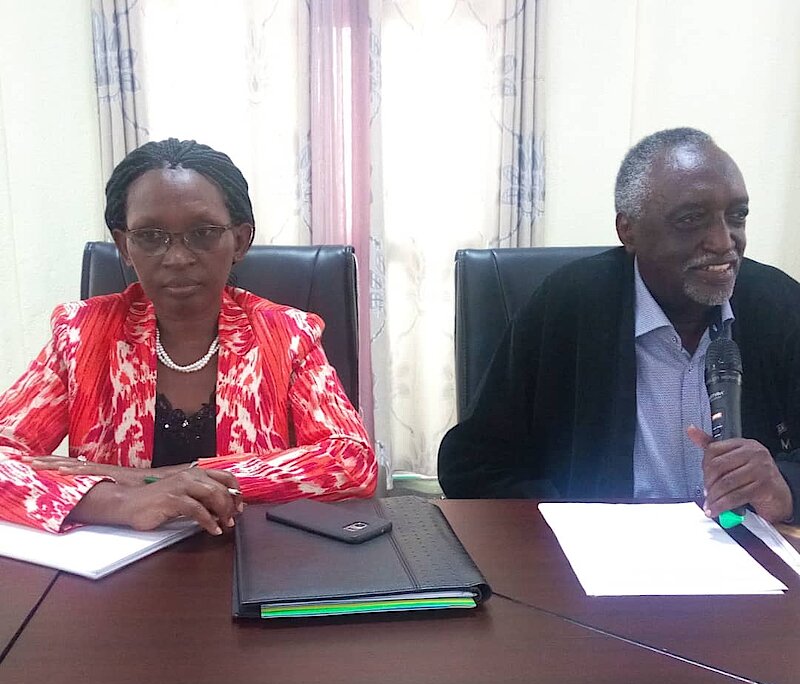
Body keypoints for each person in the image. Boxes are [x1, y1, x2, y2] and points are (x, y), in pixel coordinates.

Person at [0, 138, 377, 535]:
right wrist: (119, 501)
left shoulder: (286, 335)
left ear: (240, 240)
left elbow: (351, 461)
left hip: (255, 555)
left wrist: (156, 478)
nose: (178, 258)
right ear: (124, 246)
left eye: (203, 233)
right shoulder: (81, 335)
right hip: (117, 565)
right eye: (150, 236)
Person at [438, 127, 800, 524]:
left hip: (745, 548)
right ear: (628, 230)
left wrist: (786, 487)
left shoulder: (780, 306)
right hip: (598, 553)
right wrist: (566, 521)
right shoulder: (567, 306)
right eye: (691, 219)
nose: (723, 241)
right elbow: (473, 463)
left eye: (737, 216)